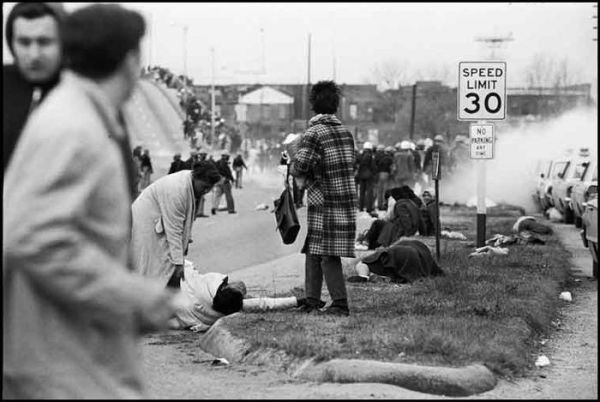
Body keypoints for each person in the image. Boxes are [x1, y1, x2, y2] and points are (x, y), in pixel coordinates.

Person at [3, 4, 191, 398]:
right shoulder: (74, 129)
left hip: (74, 339)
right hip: (60, 353)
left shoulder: (81, 116)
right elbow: (34, 238)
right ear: (130, 60)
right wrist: (134, 295)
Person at [289, 80, 357, 316]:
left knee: (327, 252)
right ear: (336, 105)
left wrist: (293, 158)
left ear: (313, 105)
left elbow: (301, 165)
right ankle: (312, 299)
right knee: (314, 250)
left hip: (324, 201)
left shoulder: (314, 133)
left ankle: (339, 303)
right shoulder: (345, 133)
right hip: (345, 200)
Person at [131, 160, 222, 288]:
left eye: (209, 188)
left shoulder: (190, 183)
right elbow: (174, 230)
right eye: (204, 187)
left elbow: (183, 221)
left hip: (159, 223)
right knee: (156, 268)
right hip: (146, 223)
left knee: (165, 268)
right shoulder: (177, 190)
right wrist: (179, 263)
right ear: (196, 177)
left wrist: (184, 245)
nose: (205, 191)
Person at [3, 2, 66, 171]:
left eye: (44, 42)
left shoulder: (80, 91)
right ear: (11, 42)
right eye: (24, 42)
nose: (34, 55)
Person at [349, 240, 444, 284]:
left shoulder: (384, 252)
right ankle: (398, 278)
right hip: (416, 256)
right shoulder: (423, 249)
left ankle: (364, 276)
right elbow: (437, 271)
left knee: (362, 264)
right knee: (413, 275)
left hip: (395, 254)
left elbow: (363, 263)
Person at [355, 141, 378, 214]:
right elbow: (373, 166)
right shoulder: (371, 156)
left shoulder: (360, 155)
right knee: (369, 193)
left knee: (361, 192)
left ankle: (361, 208)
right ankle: (369, 208)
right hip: (369, 176)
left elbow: (356, 164)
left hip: (361, 176)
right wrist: (374, 174)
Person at [375, 144, 394, 211]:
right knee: (385, 191)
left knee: (379, 190)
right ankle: (384, 205)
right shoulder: (389, 158)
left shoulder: (377, 156)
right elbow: (392, 168)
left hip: (379, 174)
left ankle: (379, 205)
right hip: (386, 174)